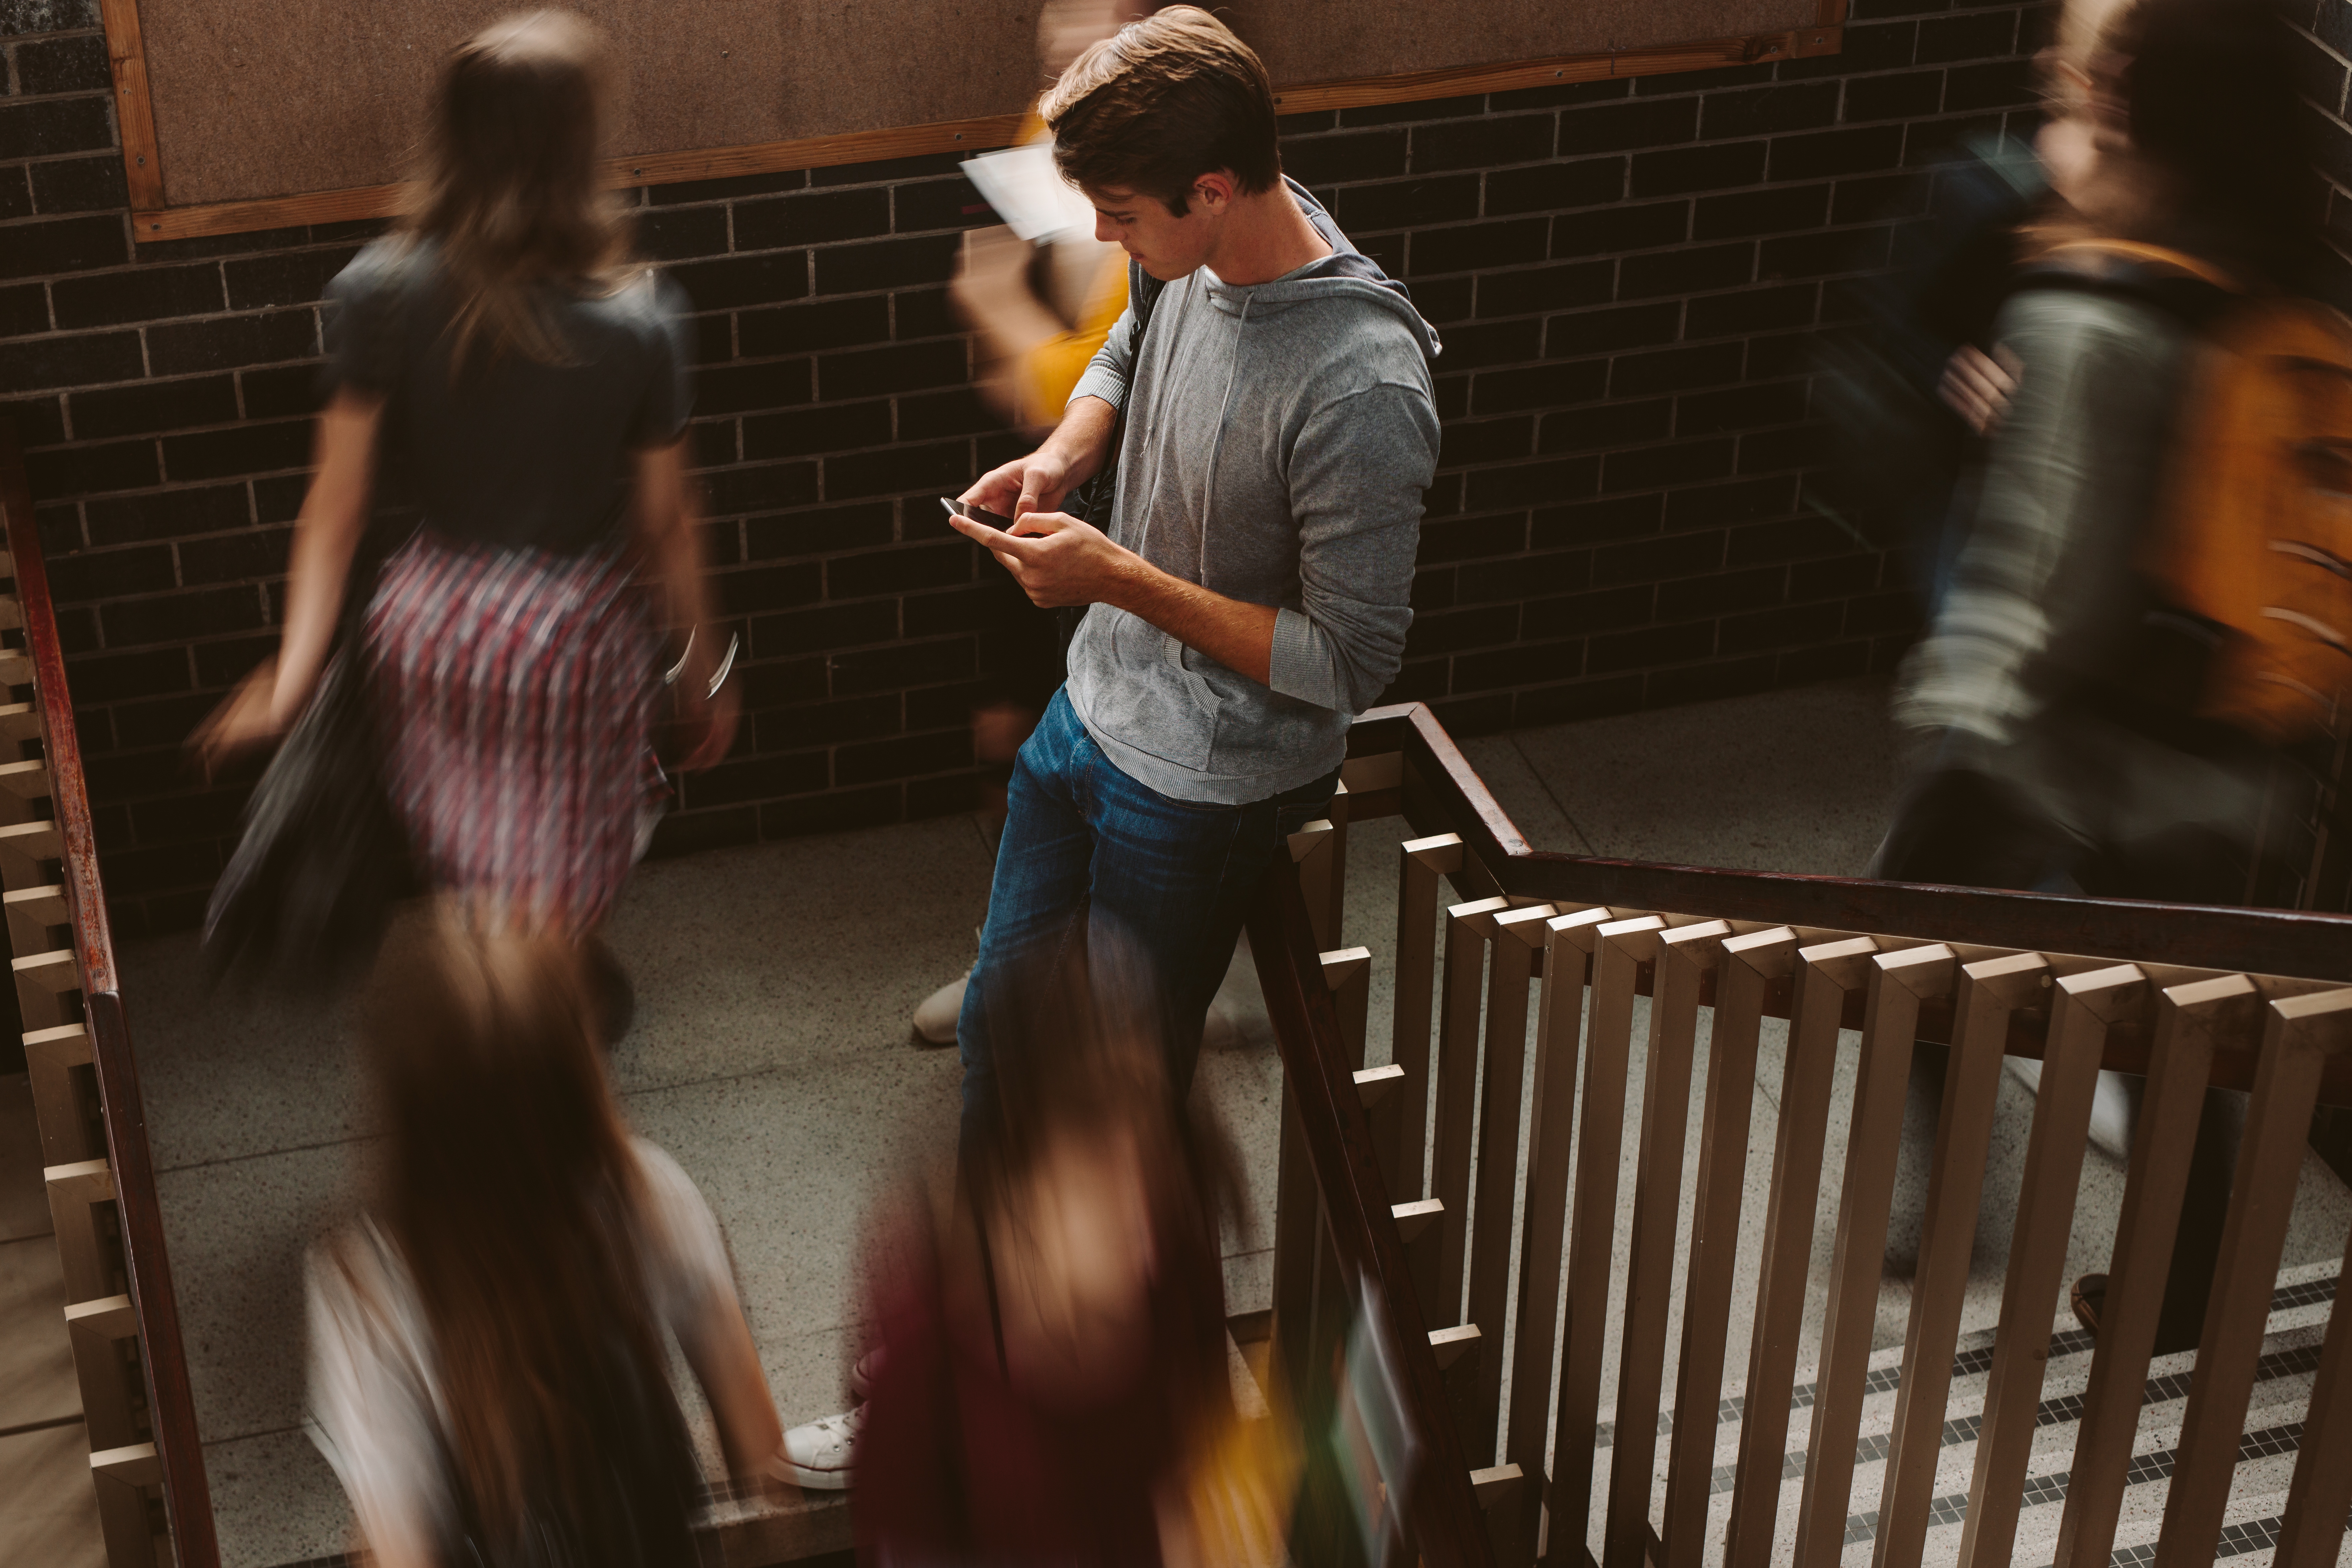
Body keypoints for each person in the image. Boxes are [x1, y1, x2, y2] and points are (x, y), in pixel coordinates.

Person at [1878, 0, 2327, 1349]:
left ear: (2146, 123)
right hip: (2230, 755)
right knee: (2184, 1038)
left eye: (2096, 96)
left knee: (1906, 953)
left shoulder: (2091, 306)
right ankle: (2177, 1306)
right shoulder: (2280, 295)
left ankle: (1942, 1211)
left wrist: (1955, 707)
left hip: (2063, 748)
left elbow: (2048, 585)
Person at [942, 5, 1441, 1134]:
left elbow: (1349, 662)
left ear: (1211, 190)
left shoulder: (1361, 386)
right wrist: (1066, 451)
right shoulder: (1197, 242)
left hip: (1201, 784)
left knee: (1112, 1110)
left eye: (1120, 216)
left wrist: (1116, 579)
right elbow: (1130, 337)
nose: (1103, 237)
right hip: (1086, 710)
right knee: (996, 1036)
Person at [194, 13, 737, 1019]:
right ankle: (549, 1012)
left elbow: (334, 508)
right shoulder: (642, 316)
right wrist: (702, 668)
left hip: (431, 626)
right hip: (573, 636)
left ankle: (500, 1005)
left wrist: (293, 675)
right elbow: (664, 523)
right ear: (579, 144)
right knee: (562, 855)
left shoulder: (374, 290)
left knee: (476, 852)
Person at [306, 906, 787, 1566]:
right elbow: (765, 1469)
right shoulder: (649, 1194)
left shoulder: (365, 1291)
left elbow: (407, 1550)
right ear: (581, 1077)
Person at [854, 939, 1270, 1566]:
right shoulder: (927, 1373)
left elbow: (1200, 1462)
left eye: (1152, 1150)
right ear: (1014, 1182)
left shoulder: (1174, 1270)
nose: (1142, 1208)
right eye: (1097, 1169)